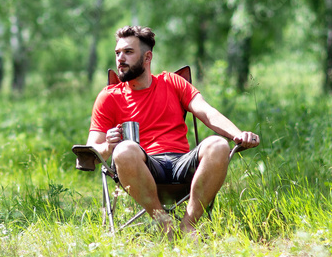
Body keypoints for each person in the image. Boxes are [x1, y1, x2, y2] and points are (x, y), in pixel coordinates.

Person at [86, 25, 260, 237]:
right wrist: (108, 146)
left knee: (218, 144)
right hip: (143, 165)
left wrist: (237, 134)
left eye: (128, 52)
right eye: (117, 53)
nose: (120, 58)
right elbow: (92, 150)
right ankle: (164, 223)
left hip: (181, 163)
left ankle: (189, 223)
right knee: (123, 150)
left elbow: (206, 112)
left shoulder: (172, 82)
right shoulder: (109, 97)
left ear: (147, 57)